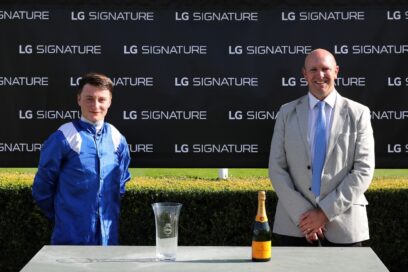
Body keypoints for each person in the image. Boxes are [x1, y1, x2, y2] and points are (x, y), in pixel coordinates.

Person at [269, 48, 375, 246]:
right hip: (296, 225)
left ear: (336, 71)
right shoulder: (286, 113)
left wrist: (324, 213)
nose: (320, 75)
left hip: (345, 226)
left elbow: (363, 170)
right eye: (313, 69)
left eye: (325, 69)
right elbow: (276, 169)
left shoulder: (359, 113)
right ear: (304, 74)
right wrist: (305, 217)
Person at [32, 72, 131, 245]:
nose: (96, 105)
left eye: (102, 99)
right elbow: (43, 186)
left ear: (110, 101)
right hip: (70, 237)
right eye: (89, 99)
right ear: (79, 99)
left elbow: (120, 184)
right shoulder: (64, 136)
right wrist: (64, 216)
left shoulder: (117, 138)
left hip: (108, 238)